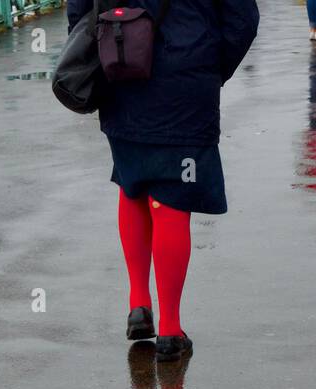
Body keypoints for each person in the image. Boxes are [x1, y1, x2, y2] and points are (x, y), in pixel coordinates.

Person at [66, 0, 259, 362]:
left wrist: (102, 46)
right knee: (171, 195)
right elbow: (242, 18)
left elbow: (79, 10)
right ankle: (170, 330)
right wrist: (210, 64)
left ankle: (138, 303)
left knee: (132, 181)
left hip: (121, 63)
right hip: (186, 77)